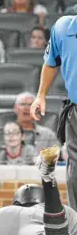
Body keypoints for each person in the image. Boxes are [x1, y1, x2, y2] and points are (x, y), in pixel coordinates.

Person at [30, 16, 77, 211]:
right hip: (76, 111)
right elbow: (51, 63)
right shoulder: (63, 27)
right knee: (75, 169)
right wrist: (41, 95)